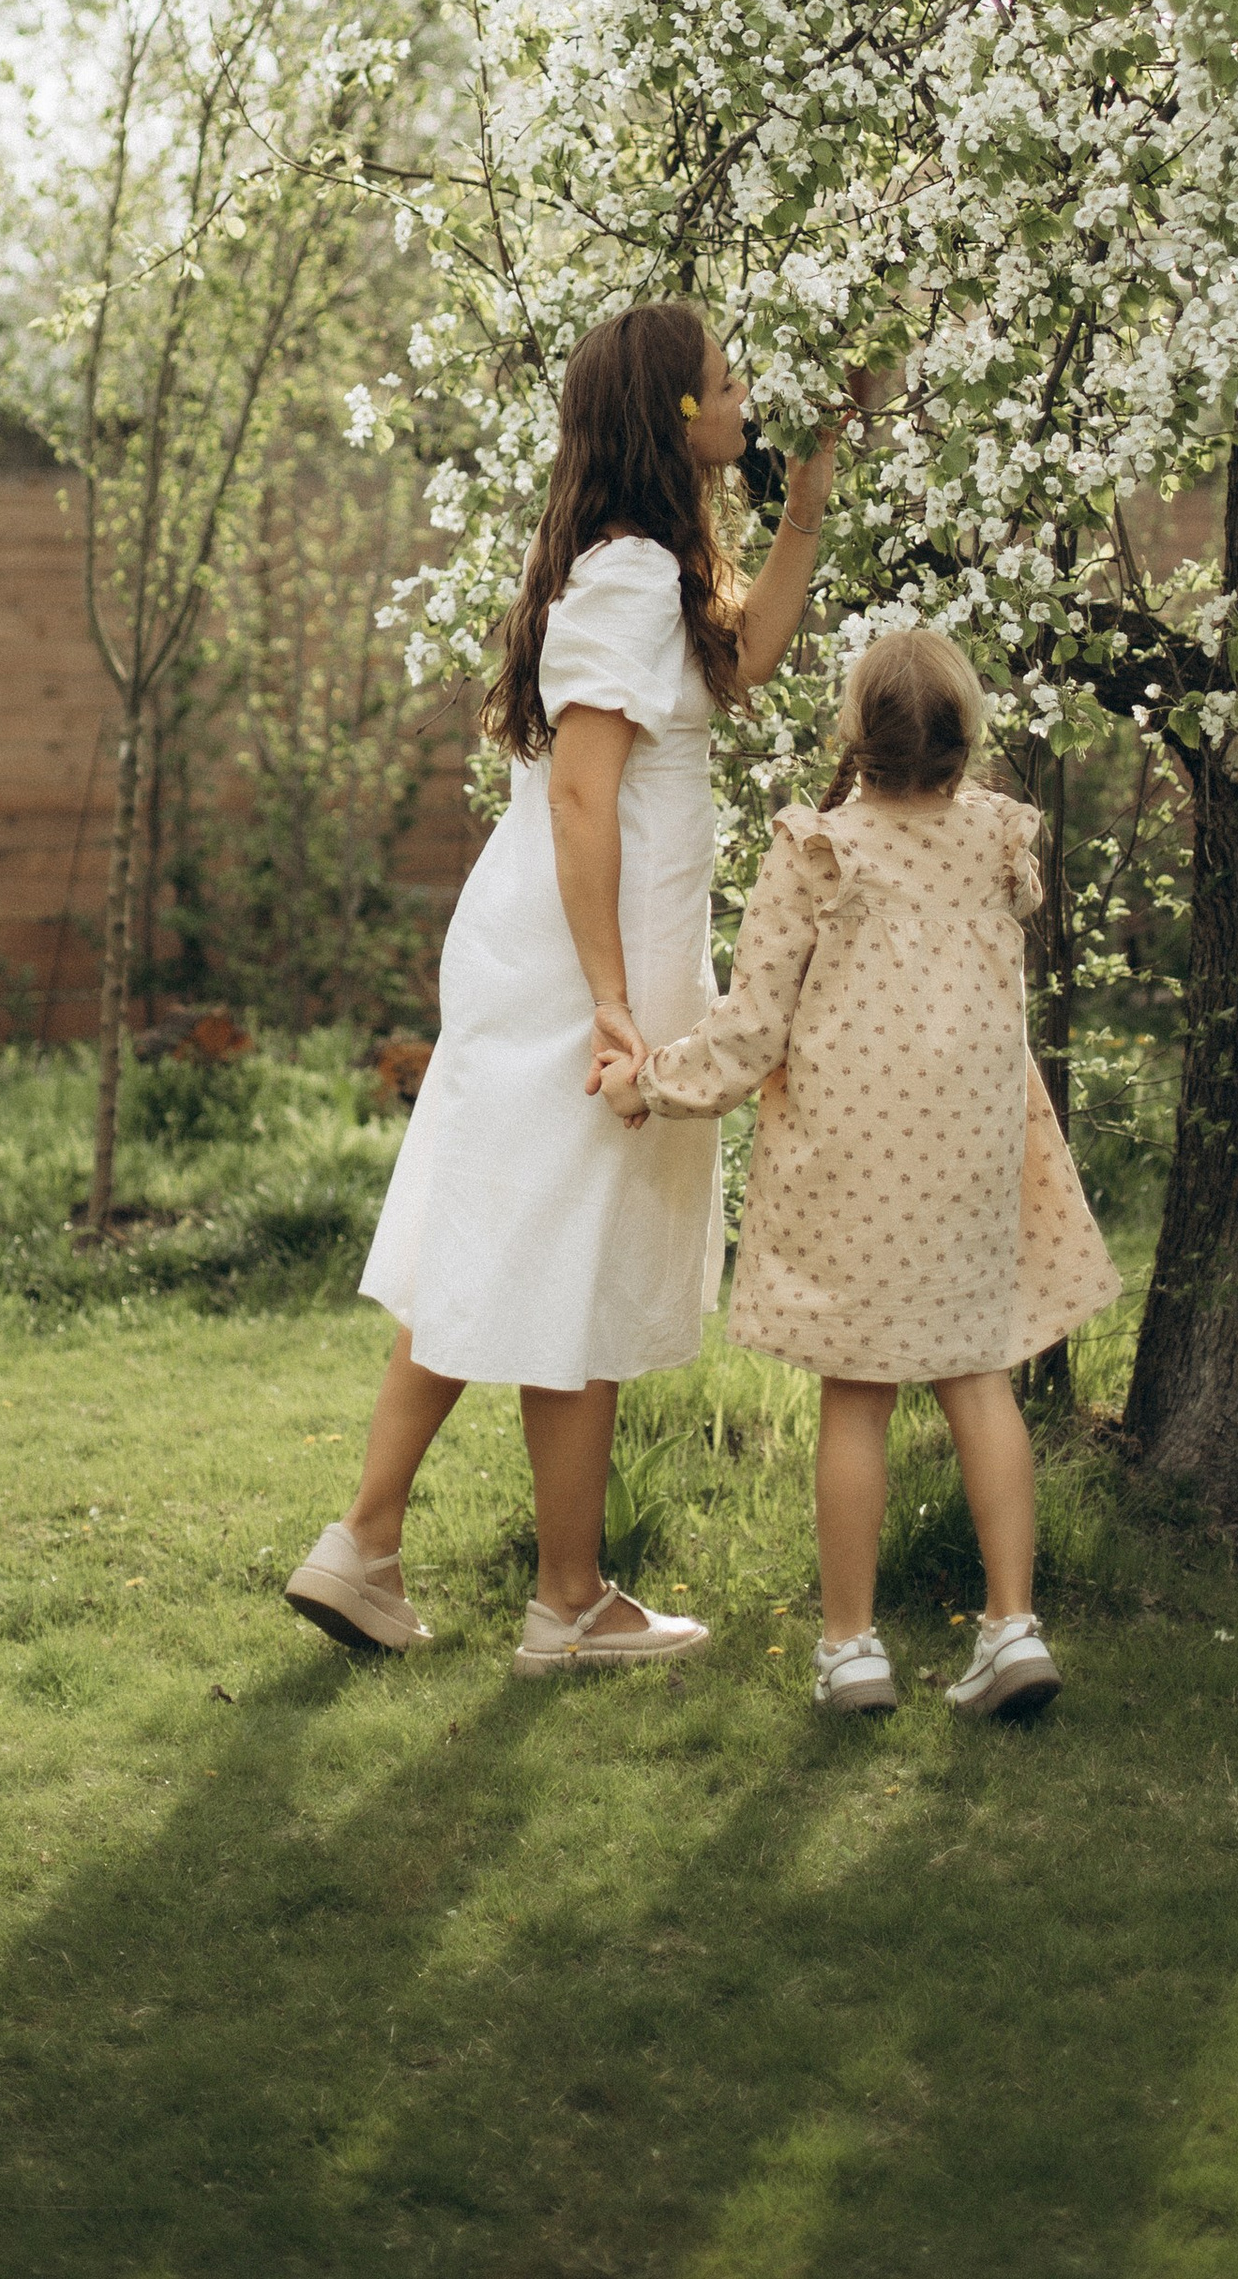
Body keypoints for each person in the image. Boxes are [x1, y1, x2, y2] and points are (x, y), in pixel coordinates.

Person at [282, 297, 841, 1677]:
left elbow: (744, 656)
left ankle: (374, 1548)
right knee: (558, 1258)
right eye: (727, 377)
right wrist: (611, 998)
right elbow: (584, 797)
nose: (744, 391)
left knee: (509, 1245)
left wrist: (808, 510)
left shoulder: (643, 572)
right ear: (671, 414)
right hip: (579, 970)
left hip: (579, 958)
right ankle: (563, 1601)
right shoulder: (630, 574)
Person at [596, 626, 1120, 1721]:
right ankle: (1011, 1626)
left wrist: (648, 1079)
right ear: (964, 736)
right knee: (978, 1375)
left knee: (858, 1391)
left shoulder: (820, 851)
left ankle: (849, 1647)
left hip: (854, 1156)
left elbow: (751, 1029)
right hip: (970, 1153)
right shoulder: (999, 842)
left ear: (854, 735)